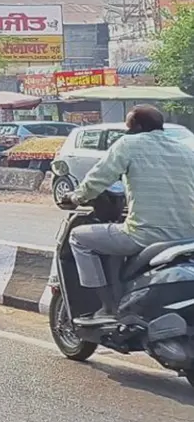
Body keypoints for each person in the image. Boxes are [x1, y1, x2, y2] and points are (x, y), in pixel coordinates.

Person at [66, 104, 194, 322]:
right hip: (186, 238)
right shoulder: (186, 150)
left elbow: (98, 178)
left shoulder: (128, 144)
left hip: (144, 235)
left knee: (78, 238)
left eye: (129, 126)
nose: (127, 130)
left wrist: (75, 197)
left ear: (138, 127)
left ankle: (107, 306)